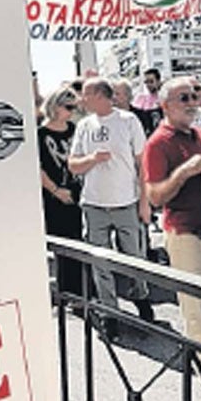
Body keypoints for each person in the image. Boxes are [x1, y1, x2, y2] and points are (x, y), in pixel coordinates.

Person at [143, 77, 201, 397]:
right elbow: (154, 195)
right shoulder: (158, 143)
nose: (192, 101)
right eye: (184, 97)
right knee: (194, 306)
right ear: (165, 105)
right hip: (184, 230)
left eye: (195, 95)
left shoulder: (199, 135)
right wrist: (183, 172)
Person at [68, 78, 154, 340]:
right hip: (94, 204)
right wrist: (92, 159)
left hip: (125, 202)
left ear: (99, 95)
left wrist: (144, 201)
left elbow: (143, 164)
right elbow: (73, 164)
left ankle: (141, 298)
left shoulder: (128, 121)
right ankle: (109, 313)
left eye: (85, 94)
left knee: (133, 257)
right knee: (100, 261)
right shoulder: (84, 125)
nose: (81, 100)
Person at [38, 86, 85, 300]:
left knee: (80, 242)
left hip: (77, 192)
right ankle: (68, 292)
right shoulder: (40, 134)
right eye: (68, 107)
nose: (72, 112)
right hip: (53, 196)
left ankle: (82, 290)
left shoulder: (74, 129)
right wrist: (56, 191)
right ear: (55, 107)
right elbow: (37, 168)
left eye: (74, 107)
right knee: (63, 247)